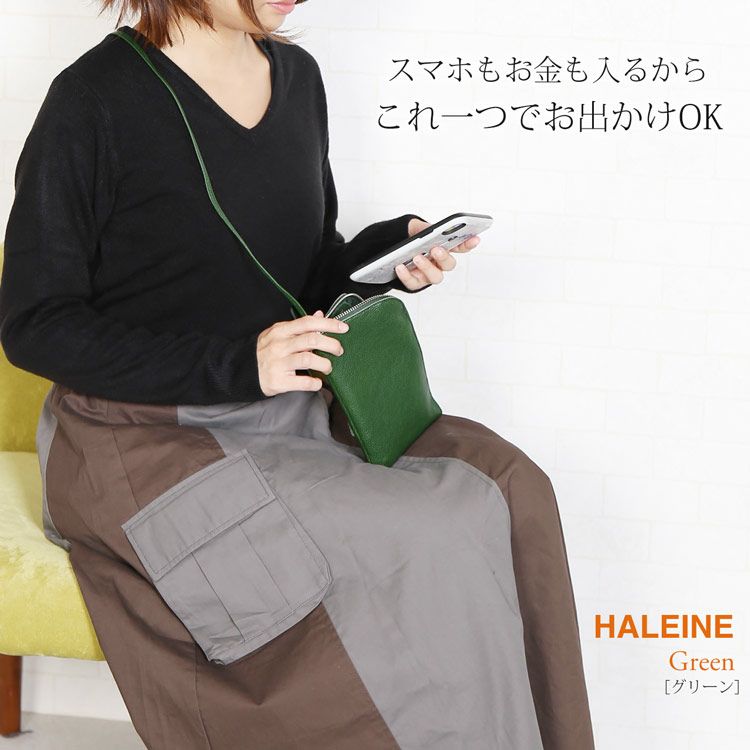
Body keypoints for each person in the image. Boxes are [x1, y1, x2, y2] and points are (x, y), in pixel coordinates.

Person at [0, 1, 595, 748]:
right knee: (422, 530)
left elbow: (303, 276)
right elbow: (35, 323)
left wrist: (385, 261)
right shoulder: (92, 99)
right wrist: (238, 364)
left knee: (511, 485)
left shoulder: (298, 78)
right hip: (140, 436)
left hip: (287, 406)